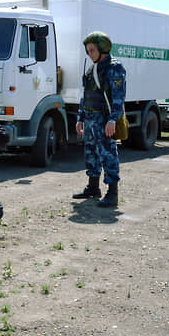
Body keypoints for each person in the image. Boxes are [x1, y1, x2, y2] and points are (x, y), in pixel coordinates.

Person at [73, 31, 126, 207]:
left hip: (104, 120)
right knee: (91, 153)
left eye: (92, 50)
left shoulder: (114, 68)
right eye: (88, 51)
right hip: (90, 119)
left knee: (108, 154)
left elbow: (119, 97)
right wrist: (80, 117)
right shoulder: (92, 69)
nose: (90, 54)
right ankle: (93, 188)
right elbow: (86, 95)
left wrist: (112, 120)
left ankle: (113, 193)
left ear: (103, 49)